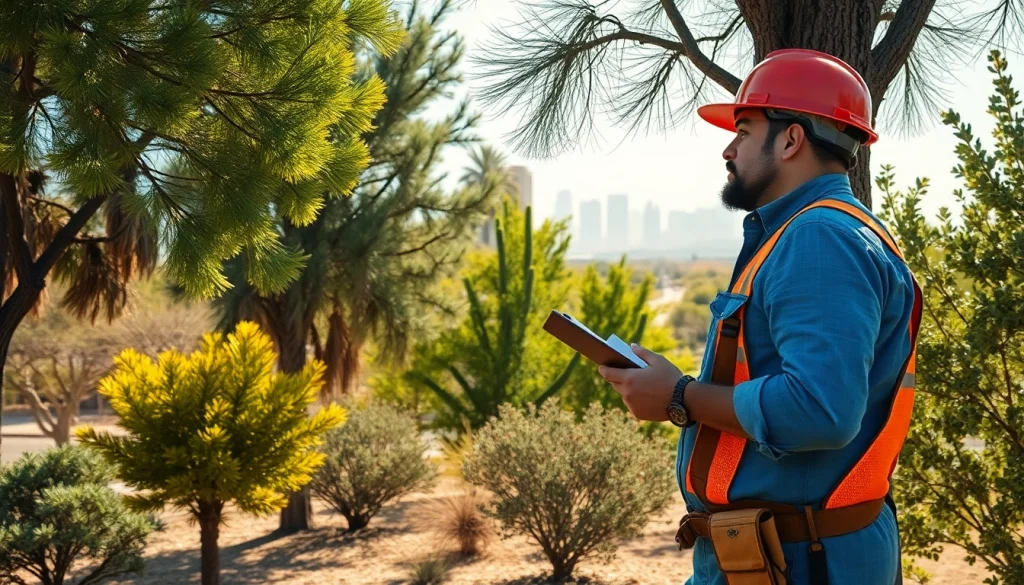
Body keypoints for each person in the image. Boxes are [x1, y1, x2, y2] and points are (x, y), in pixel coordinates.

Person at [598, 49, 922, 585]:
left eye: (744, 130)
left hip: (800, 559)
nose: (728, 149)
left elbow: (821, 411)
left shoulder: (819, 239)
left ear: (791, 140)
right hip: (781, 550)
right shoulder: (819, 233)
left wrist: (679, 396)